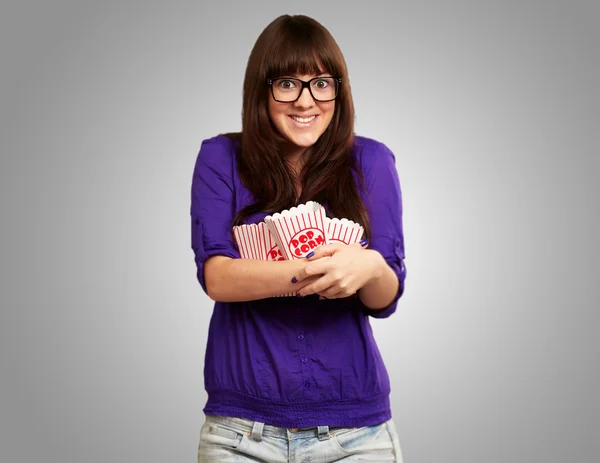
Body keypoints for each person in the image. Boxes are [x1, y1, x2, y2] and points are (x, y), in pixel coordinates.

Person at [190, 14, 407, 463]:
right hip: (240, 433)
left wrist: (369, 268)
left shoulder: (372, 161)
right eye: (287, 83)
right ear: (261, 90)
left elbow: (384, 298)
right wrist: (319, 270)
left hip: (356, 435)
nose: (306, 101)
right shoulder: (220, 157)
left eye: (321, 83)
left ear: (338, 91)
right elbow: (219, 278)